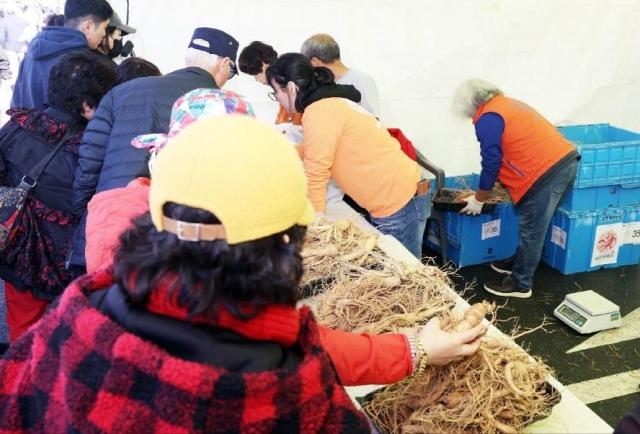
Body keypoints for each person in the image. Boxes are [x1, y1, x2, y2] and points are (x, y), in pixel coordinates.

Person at [0, 115, 484, 432]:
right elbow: (315, 352)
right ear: (284, 244)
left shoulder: (82, 307)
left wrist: (414, 347)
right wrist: (418, 347)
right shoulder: (284, 384)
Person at [69, 27, 239, 276]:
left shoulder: (123, 91)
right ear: (224, 63)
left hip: (107, 226)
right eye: (232, 71)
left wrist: (86, 213)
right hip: (173, 239)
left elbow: (90, 160)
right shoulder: (226, 107)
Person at [0, 51, 116, 343]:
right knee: (65, 340)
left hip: (15, 252)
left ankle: (16, 380)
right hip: (65, 268)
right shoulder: (90, 151)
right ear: (89, 106)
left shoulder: (19, 124)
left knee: (22, 334)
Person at [267, 53, 429, 257]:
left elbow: (317, 170)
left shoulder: (319, 111)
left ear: (291, 88)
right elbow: (322, 147)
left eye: (276, 92)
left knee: (405, 272)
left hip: (397, 201)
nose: (278, 99)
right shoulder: (328, 103)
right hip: (399, 193)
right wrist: (290, 151)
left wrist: (315, 224)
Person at [452, 78, 579, 298]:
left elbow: (491, 162)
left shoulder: (488, 118)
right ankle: (519, 262)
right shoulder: (506, 104)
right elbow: (512, 147)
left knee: (532, 229)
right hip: (564, 161)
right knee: (534, 225)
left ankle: (521, 284)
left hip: (547, 172)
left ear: (469, 104)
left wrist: (479, 199)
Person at [10, 0, 113, 109]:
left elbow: (15, 105)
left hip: (27, 124)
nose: (104, 34)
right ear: (89, 26)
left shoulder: (33, 49)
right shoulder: (81, 62)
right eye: (104, 28)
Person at [301, 33, 380, 118]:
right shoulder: (319, 84)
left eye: (306, 63)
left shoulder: (361, 79)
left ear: (315, 61)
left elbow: (374, 118)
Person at [238, 41, 302, 125]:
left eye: (255, 73)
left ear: (264, 64)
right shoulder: (282, 90)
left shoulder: (292, 89)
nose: (256, 79)